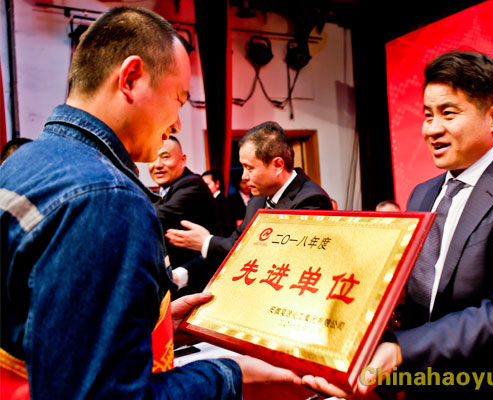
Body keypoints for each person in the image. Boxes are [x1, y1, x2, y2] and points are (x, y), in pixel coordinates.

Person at [0, 7, 300, 400]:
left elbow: (46, 325)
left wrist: (150, 325)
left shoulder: (22, 162)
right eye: (178, 99)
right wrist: (232, 376)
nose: (177, 123)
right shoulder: (106, 198)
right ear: (131, 78)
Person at [303, 50, 493, 399]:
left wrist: (402, 349)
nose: (431, 129)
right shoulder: (423, 193)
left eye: (448, 113)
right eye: (428, 115)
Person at [165, 121, 333, 286]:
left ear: (277, 165)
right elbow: (235, 247)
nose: (244, 176)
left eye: (250, 168)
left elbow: (273, 257)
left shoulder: (311, 200)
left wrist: (207, 242)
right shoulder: (258, 199)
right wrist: (181, 275)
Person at [148, 136, 221, 285]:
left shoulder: (192, 184)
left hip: (200, 279)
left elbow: (158, 217)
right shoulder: (165, 190)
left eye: (165, 157)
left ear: (182, 160)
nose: (158, 165)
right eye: (153, 158)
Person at [202, 169, 235, 236]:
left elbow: (226, 227)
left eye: (207, 184)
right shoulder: (208, 201)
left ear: (217, 183)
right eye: (203, 185)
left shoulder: (224, 202)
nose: (204, 187)